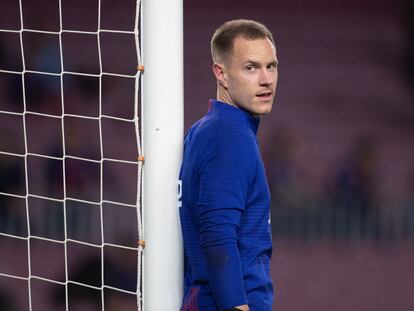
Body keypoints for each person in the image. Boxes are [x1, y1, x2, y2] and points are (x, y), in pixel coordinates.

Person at [179, 19, 279, 311]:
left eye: (271, 66)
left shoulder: (206, 129)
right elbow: (218, 236)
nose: (266, 79)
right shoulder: (229, 136)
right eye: (251, 68)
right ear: (221, 74)